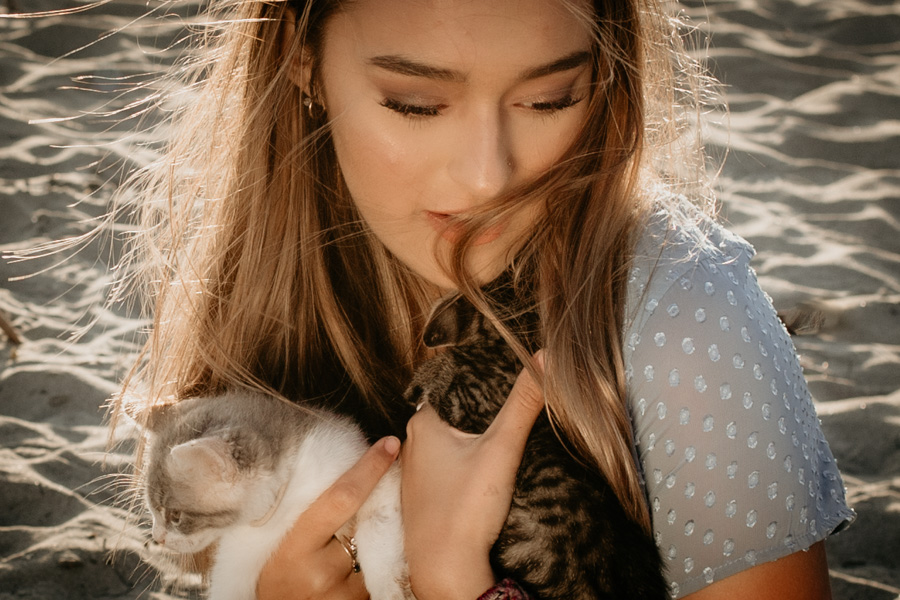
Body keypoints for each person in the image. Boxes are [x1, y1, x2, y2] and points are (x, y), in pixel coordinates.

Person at [111, 0, 854, 598]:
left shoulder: (688, 320)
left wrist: (458, 585)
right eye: (417, 104)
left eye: (547, 99)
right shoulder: (265, 284)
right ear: (301, 61)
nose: (487, 177)